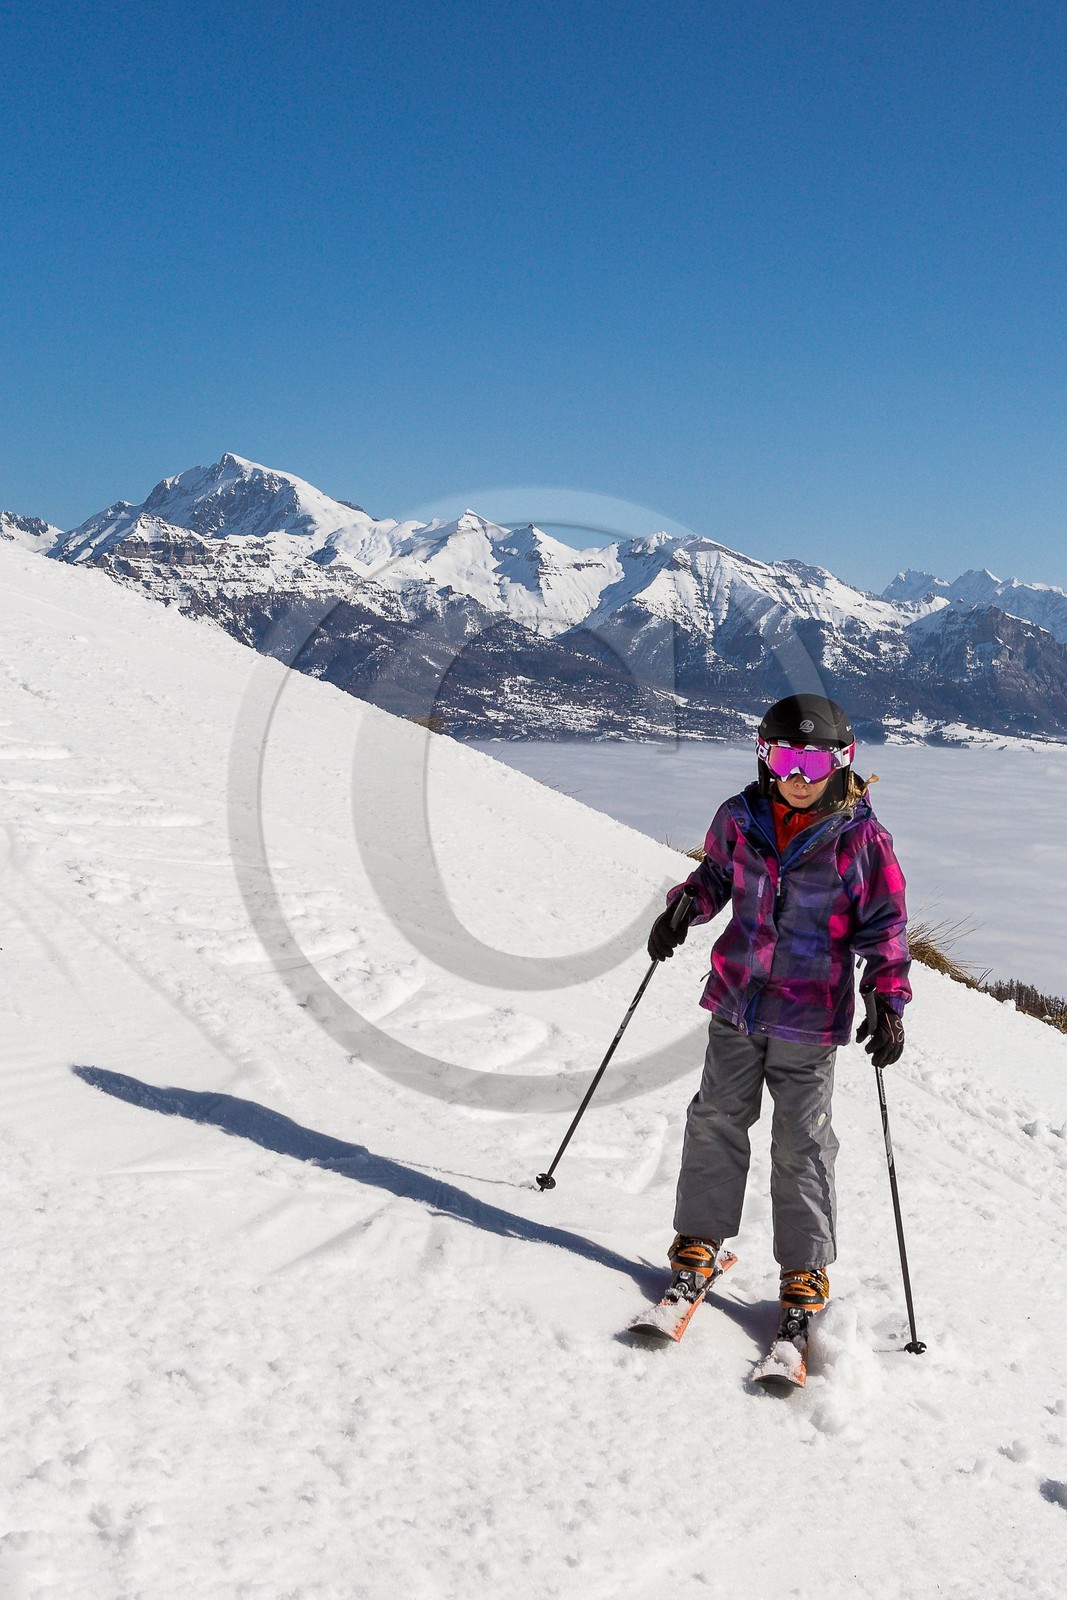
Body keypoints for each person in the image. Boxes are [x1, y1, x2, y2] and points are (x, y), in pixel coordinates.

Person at [647, 692, 911, 1330]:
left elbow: (885, 926)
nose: (798, 776)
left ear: (841, 763)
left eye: (813, 763)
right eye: (786, 759)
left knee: (802, 1142)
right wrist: (685, 906)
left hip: (809, 1020)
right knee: (715, 1118)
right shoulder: (741, 818)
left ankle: (804, 1267)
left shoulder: (861, 839)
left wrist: (886, 996)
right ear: (764, 757)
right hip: (736, 1000)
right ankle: (699, 1240)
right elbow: (716, 876)